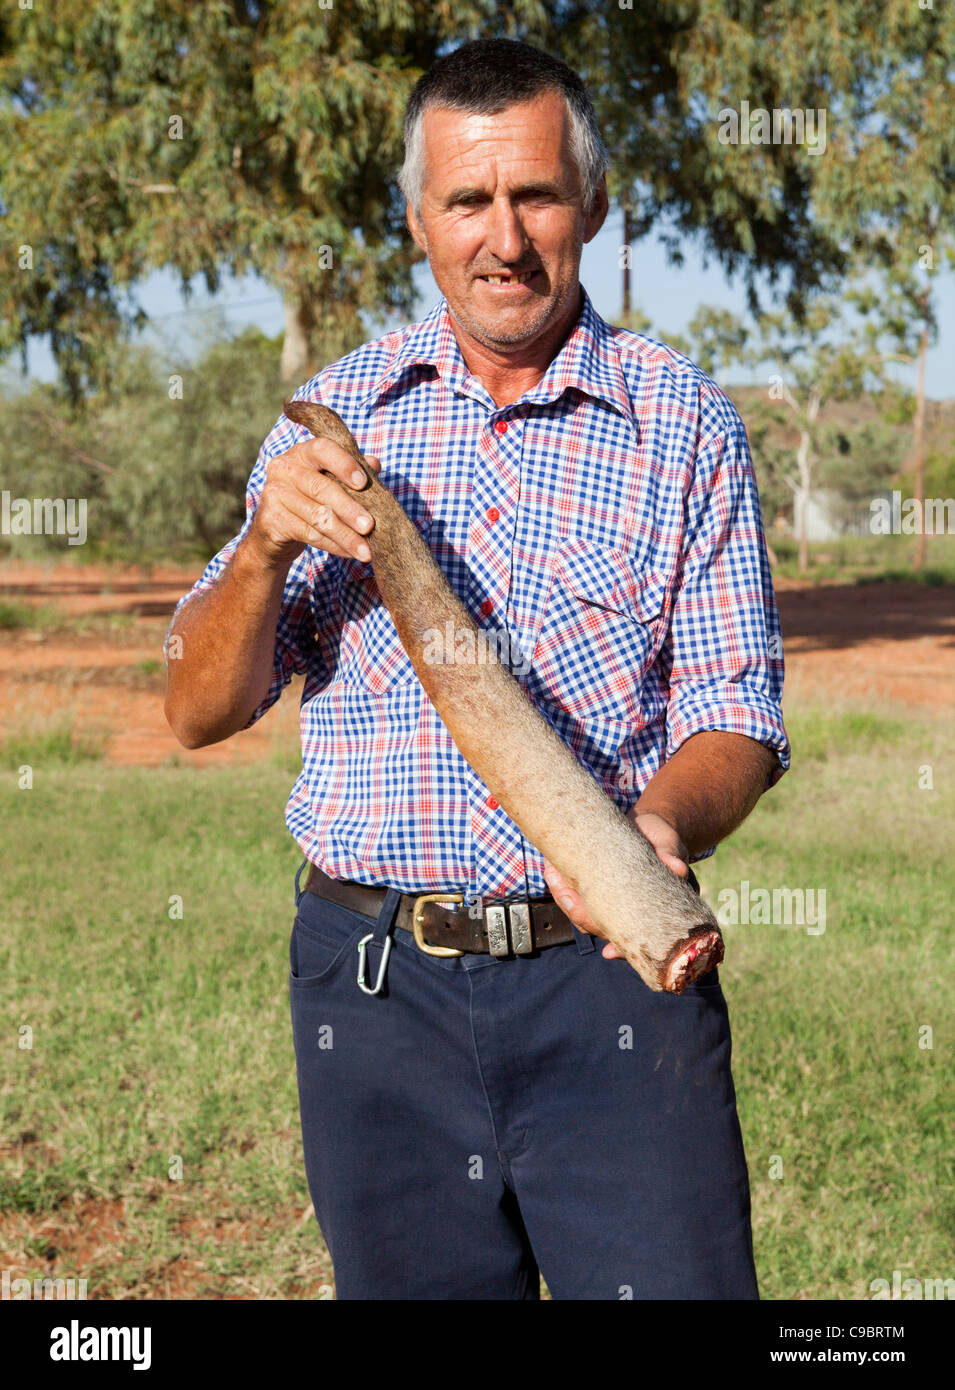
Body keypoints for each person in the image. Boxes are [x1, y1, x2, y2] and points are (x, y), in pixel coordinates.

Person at [164, 37, 790, 1301]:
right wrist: (264, 550)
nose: (503, 237)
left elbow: (738, 712)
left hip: (608, 977)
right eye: (467, 201)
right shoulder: (336, 422)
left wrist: (656, 827)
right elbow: (194, 708)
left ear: (592, 207)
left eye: (535, 196)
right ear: (416, 222)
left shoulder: (683, 422)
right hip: (375, 987)